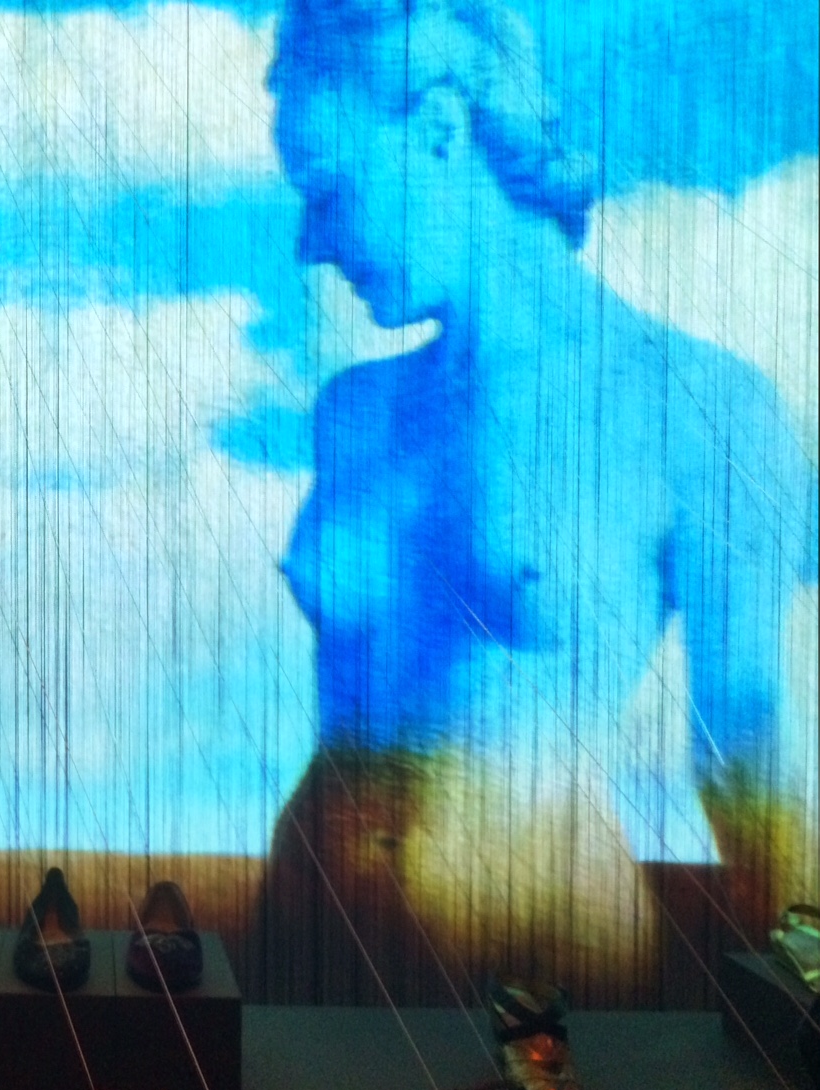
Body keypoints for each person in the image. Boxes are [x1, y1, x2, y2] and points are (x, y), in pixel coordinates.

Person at [264, 0, 816, 1002]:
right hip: (309, 970)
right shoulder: (355, 413)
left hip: (545, 993)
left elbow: (746, 754)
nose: (310, 243)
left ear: (440, 127)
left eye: (329, 188)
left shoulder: (700, 409)